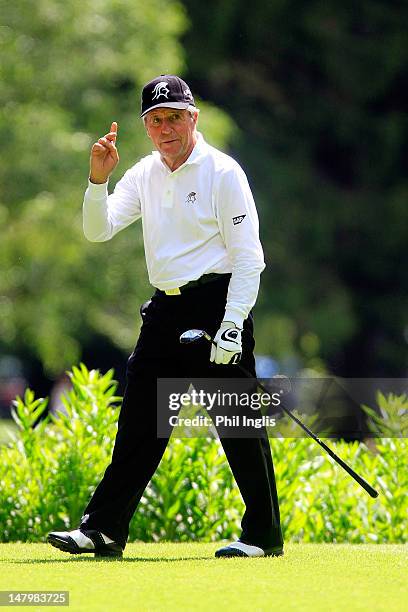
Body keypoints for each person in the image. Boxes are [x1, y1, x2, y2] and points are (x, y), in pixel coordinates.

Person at [48, 75, 283, 558]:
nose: (165, 128)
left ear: (193, 117)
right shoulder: (143, 173)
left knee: (236, 425)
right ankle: (104, 529)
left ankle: (263, 535)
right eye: (155, 121)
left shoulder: (223, 172)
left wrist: (233, 325)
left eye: (174, 117)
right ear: (146, 127)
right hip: (165, 308)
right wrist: (98, 180)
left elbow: (248, 259)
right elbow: (99, 230)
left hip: (219, 303)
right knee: (140, 424)